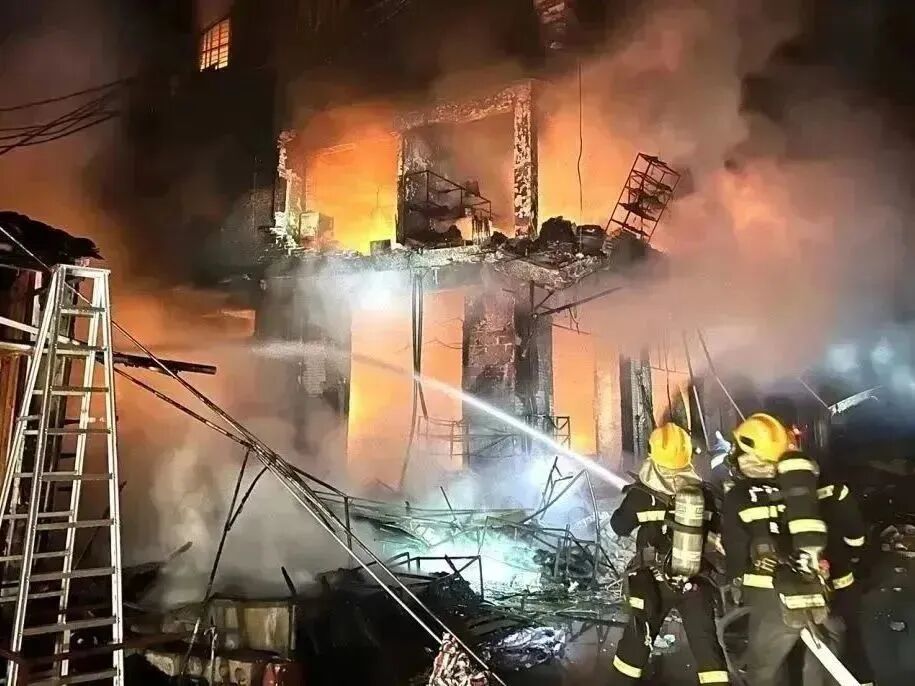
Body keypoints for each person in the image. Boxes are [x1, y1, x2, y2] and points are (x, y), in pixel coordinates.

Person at [721, 412, 868, 686]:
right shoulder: (815, 485)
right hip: (822, 591)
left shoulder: (738, 496)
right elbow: (855, 535)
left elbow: (736, 556)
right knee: (824, 672)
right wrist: (851, 559)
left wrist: (736, 587)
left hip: (770, 599)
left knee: (766, 674)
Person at [609, 422, 730, 685]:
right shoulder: (705, 493)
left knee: (635, 646)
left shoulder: (642, 495)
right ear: (687, 456)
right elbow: (720, 531)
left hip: (653, 582)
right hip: (695, 580)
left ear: (652, 453)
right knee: (706, 648)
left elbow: (619, 526)